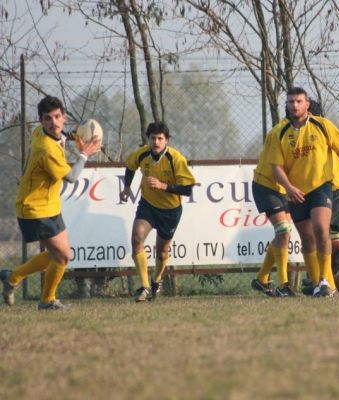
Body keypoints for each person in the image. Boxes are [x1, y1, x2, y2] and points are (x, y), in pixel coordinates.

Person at [0, 95, 101, 310]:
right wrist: (85, 153)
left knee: (59, 255)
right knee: (63, 256)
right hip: (33, 208)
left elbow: (61, 136)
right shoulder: (45, 149)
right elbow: (72, 177)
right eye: (47, 119)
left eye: (57, 117)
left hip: (49, 205)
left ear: (63, 117)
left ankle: (12, 278)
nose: (53, 122)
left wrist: (76, 136)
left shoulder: (43, 132)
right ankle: (46, 301)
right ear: (41, 121)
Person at [267, 87, 339, 297]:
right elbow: (276, 167)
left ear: (307, 104)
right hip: (296, 192)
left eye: (299, 101)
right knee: (307, 238)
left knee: (322, 229)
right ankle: (316, 284)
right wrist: (289, 188)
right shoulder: (279, 132)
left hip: (321, 186)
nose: (295, 105)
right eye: (291, 102)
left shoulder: (322, 125)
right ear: (286, 105)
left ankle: (325, 279)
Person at [119, 122, 196, 302]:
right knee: (137, 238)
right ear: (148, 139)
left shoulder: (175, 158)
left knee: (162, 252)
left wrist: (163, 186)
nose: (156, 141)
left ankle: (156, 281)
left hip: (170, 211)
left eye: (160, 138)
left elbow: (187, 190)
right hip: (148, 205)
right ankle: (145, 287)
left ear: (166, 140)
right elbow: (130, 166)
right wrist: (126, 187)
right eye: (153, 138)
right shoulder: (142, 153)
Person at [250, 120, 295, 297]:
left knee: (284, 233)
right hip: (266, 185)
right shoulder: (279, 132)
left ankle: (261, 279)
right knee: (283, 230)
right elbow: (278, 167)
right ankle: (284, 285)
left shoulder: (304, 130)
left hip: (282, 188)